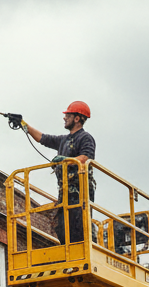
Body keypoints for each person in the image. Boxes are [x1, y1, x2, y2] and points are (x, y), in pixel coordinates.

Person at [11, 101, 95, 244]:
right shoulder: (64, 140)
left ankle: (89, 247)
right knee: (62, 228)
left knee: (79, 228)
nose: (64, 118)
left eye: (67, 115)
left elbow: (85, 158)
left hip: (80, 193)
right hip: (65, 192)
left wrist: (65, 160)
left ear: (77, 119)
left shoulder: (85, 138)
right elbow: (42, 138)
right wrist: (23, 124)